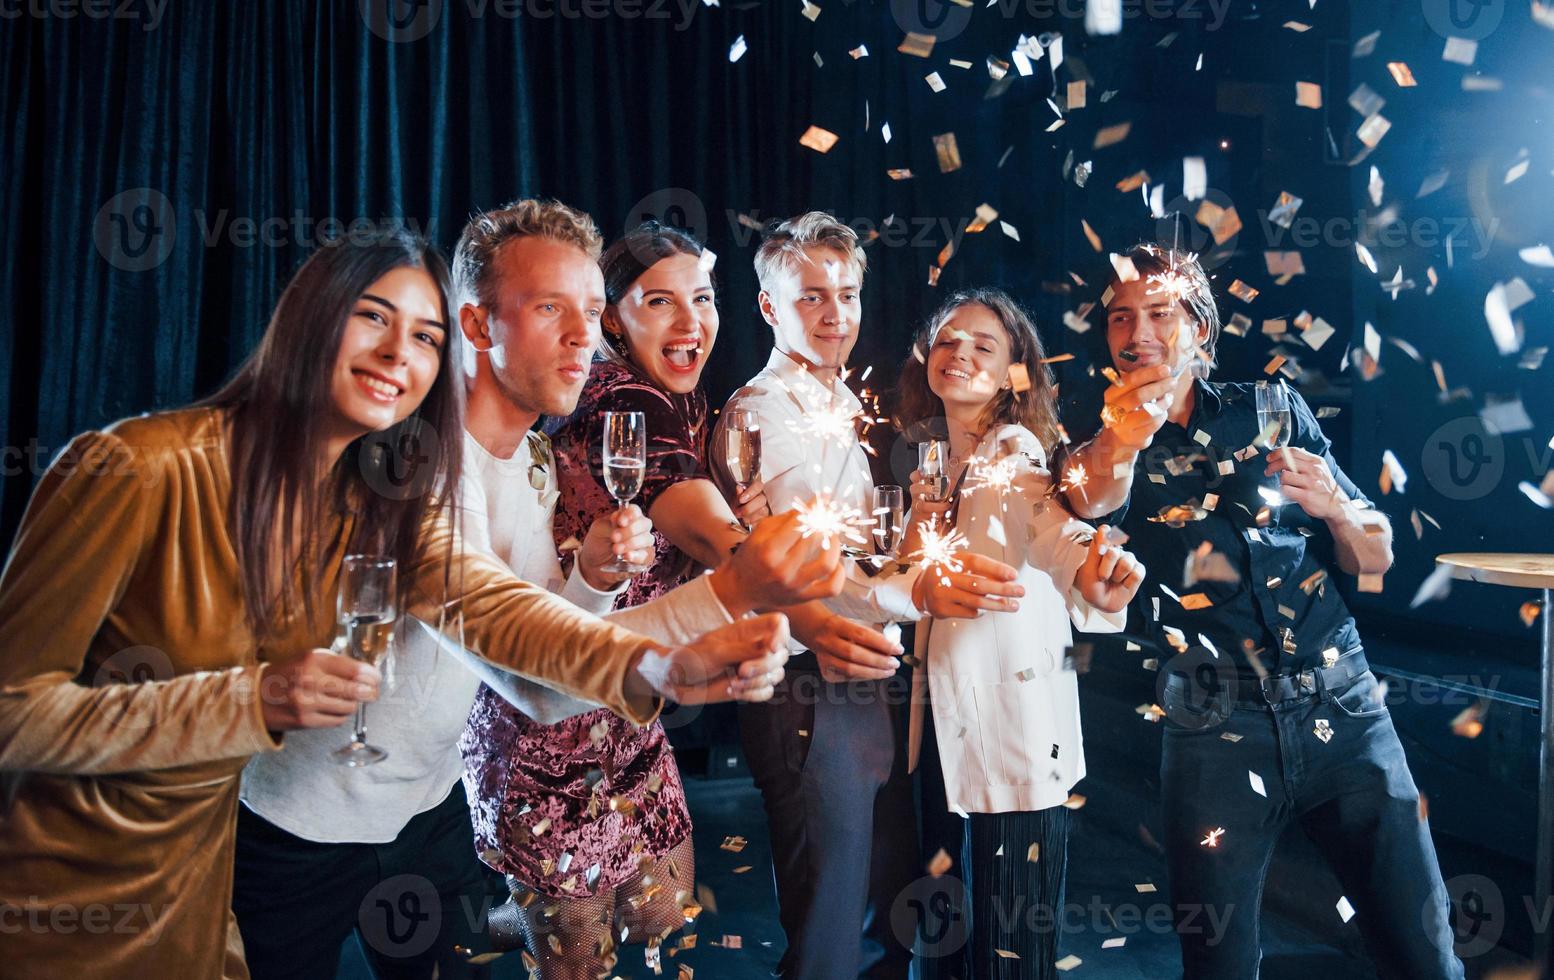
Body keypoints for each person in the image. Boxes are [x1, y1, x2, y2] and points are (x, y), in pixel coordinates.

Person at [0, 229, 790, 980]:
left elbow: (501, 619)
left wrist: (664, 658)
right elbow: (12, 712)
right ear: (304, 321)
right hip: (91, 902)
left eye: (423, 336)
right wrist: (251, 698)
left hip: (321, 853)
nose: (397, 353)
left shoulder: (386, 497)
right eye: (373, 318)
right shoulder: (129, 469)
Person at [232, 205, 833, 979]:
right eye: (552, 309)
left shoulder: (538, 464)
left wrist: (591, 579)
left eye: (590, 310)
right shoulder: (416, 462)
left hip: (428, 814)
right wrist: (727, 594)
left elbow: (547, 680)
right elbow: (527, 677)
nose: (585, 336)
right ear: (478, 326)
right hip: (297, 827)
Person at [1059, 244, 1463, 979]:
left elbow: (1375, 556)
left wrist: (1337, 507)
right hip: (1212, 727)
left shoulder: (1273, 405)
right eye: (1120, 318)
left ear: (1202, 329)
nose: (1137, 331)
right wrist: (1127, 433)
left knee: (1424, 951)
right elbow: (1087, 497)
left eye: (1159, 312)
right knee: (1218, 962)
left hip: (1344, 709)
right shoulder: (1097, 447)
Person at [463, 219, 846, 978]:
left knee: (663, 908)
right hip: (549, 730)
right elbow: (704, 529)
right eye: (660, 302)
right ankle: (532, 904)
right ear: (617, 318)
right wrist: (794, 601)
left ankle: (517, 908)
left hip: (631, 717)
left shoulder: (687, 402)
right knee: (582, 957)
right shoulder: (618, 396)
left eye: (701, 299)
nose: (690, 321)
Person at [709, 213, 1027, 980]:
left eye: (846, 295)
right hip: (808, 685)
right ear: (768, 308)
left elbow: (860, 553)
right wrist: (917, 585)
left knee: (883, 919)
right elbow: (810, 571)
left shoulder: (841, 410)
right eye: (811, 297)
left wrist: (912, 534)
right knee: (832, 935)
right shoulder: (761, 415)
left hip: (866, 680)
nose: (834, 315)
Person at [894, 288, 1144, 980]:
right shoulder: (935, 461)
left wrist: (1088, 571)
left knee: (1011, 958)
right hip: (946, 738)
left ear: (1014, 371)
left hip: (1012, 739)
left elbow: (1050, 522)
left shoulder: (1015, 447)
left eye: (983, 345)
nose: (960, 354)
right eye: (948, 340)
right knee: (946, 954)